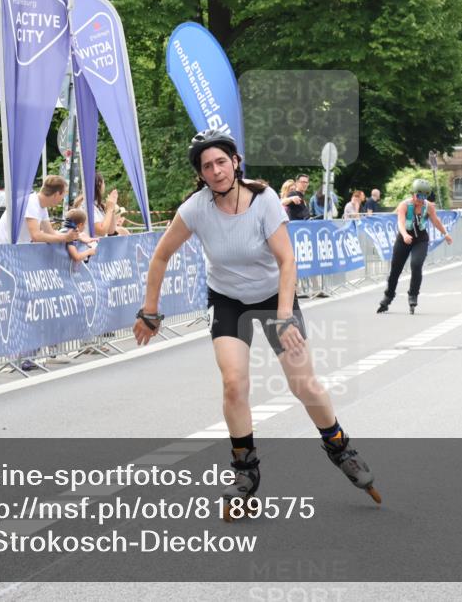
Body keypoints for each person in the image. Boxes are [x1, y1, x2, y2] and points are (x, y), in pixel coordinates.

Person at [132, 129, 380, 518]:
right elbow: (160, 256)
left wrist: (284, 317)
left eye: (220, 162)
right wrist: (149, 310)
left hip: (273, 296)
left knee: (303, 383)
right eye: (206, 166)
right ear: (200, 173)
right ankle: (245, 469)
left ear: (235, 162)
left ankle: (339, 446)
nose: (215, 171)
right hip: (227, 300)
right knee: (234, 383)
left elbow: (287, 262)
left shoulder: (264, 200)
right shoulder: (196, 208)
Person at [377, 178, 454, 315]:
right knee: (396, 269)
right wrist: (405, 235)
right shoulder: (404, 205)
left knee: (416, 264)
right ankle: (388, 296)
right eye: (419, 196)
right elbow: (400, 223)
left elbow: (436, 221)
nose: (421, 199)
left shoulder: (428, 206)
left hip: (421, 239)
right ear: (413, 194)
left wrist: (445, 234)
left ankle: (413, 294)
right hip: (404, 238)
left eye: (424, 196)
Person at [0, 174, 76, 244]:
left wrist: (75, 236)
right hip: (3, 250)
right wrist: (65, 238)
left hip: (11, 250)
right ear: (56, 194)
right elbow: (36, 236)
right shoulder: (31, 203)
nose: (62, 200)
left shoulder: (41, 205)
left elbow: (50, 232)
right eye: (63, 196)